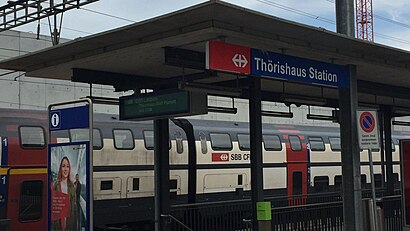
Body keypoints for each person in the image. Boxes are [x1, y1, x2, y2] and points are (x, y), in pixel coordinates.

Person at [52, 157, 77, 231]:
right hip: (58, 225)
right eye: (63, 166)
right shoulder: (55, 185)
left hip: (69, 224)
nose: (65, 169)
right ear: (60, 168)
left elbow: (74, 210)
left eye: (67, 166)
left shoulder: (72, 186)